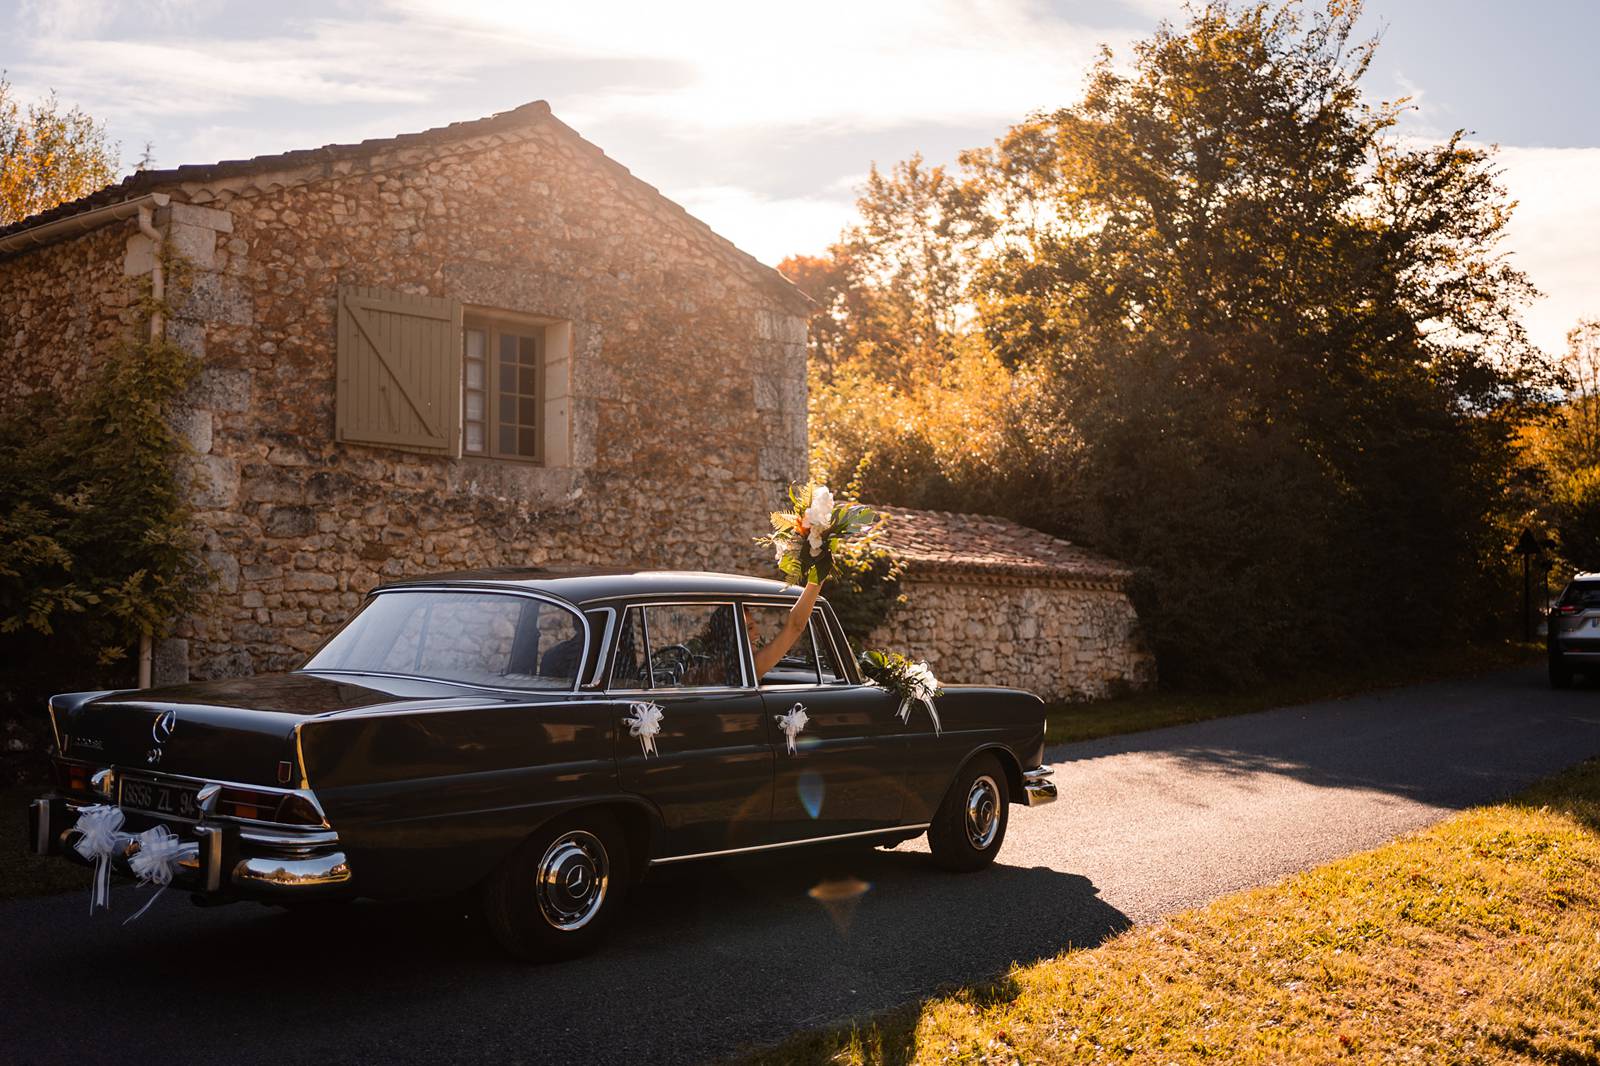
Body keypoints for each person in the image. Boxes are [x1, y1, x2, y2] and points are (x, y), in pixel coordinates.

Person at [747, 581, 821, 680]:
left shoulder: (723, 666)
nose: (757, 633)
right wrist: (819, 573)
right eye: (749, 628)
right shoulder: (750, 668)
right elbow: (796, 625)